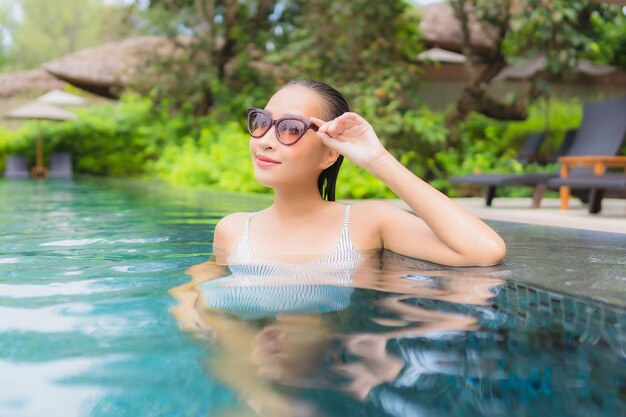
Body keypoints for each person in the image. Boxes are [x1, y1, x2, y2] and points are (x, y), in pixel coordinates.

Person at [213, 79, 506, 269]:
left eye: (290, 128)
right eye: (262, 121)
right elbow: (199, 298)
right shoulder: (233, 230)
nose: (265, 139)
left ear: (329, 153)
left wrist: (378, 159)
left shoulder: (366, 223)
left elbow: (484, 251)